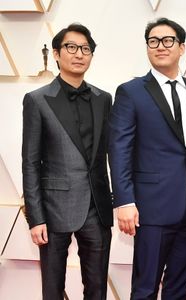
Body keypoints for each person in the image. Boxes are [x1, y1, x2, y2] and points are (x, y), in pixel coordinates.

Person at [108, 18, 186, 299]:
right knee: (145, 288)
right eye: (153, 41)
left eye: (168, 40)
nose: (160, 46)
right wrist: (124, 200)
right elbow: (119, 148)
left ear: (182, 47)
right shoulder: (131, 91)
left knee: (179, 288)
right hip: (151, 208)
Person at [22, 23, 113, 300]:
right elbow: (30, 161)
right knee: (52, 288)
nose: (79, 54)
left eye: (86, 49)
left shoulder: (103, 99)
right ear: (57, 54)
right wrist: (35, 218)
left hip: (96, 209)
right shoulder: (37, 100)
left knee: (97, 288)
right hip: (53, 211)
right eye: (71, 47)